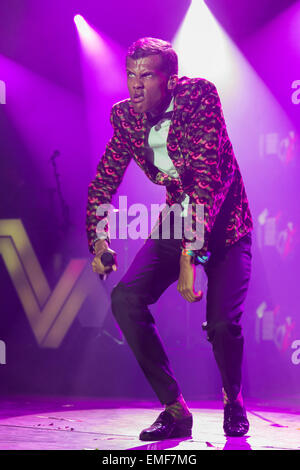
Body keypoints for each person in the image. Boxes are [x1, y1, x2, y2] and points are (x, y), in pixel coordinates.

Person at [86, 37, 253, 440]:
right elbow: (104, 181)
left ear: (171, 80)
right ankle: (175, 410)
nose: (135, 85)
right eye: (130, 74)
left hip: (227, 223)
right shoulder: (125, 117)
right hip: (179, 217)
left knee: (222, 324)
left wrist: (189, 256)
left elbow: (208, 177)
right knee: (125, 299)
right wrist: (99, 240)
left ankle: (233, 399)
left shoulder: (199, 96)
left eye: (147, 75)